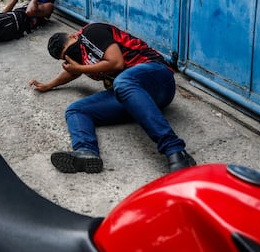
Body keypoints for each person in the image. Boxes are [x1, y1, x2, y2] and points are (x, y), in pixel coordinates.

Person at [29, 23, 196, 174]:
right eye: (66, 57)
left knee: (122, 82)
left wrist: (80, 67)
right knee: (76, 110)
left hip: (157, 77)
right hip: (134, 98)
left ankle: (176, 151)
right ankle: (86, 151)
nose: (72, 57)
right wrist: (48, 85)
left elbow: (116, 63)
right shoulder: (81, 59)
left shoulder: (90, 33)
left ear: (74, 36)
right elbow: (72, 71)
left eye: (70, 50)